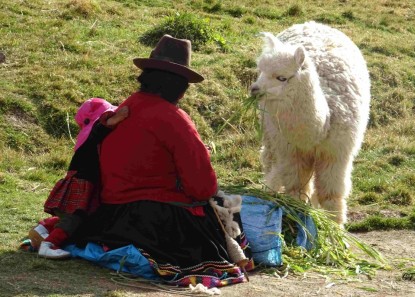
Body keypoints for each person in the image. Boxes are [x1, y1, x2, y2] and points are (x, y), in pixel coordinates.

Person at [71, 35, 253, 287]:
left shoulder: (124, 108)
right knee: (222, 204)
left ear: (146, 76)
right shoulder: (175, 119)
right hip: (155, 224)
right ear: (180, 86)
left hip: (110, 217)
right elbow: (202, 187)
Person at [36, 98, 129, 259]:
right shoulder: (96, 132)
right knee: (74, 218)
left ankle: (44, 228)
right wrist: (116, 118)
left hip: (85, 182)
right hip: (82, 182)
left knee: (80, 220)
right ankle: (48, 244)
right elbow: (101, 128)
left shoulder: (91, 137)